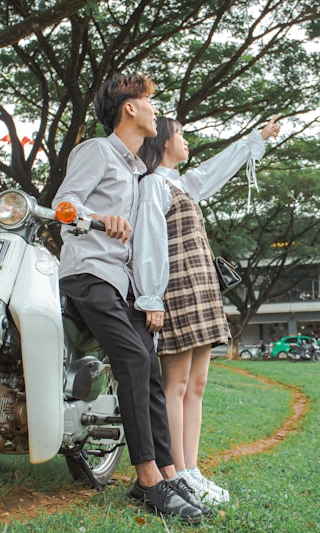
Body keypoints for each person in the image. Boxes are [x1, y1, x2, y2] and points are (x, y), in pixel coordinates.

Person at [52, 73, 207, 524]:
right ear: (129, 109)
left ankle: (168, 470)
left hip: (118, 285)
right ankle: (147, 482)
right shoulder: (98, 151)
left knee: (150, 366)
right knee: (136, 363)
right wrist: (101, 218)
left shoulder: (140, 172)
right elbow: (66, 206)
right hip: (88, 275)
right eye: (149, 100)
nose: (156, 109)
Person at [132, 115, 280, 504]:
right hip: (177, 290)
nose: (186, 140)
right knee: (175, 386)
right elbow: (147, 241)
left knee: (196, 386)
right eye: (179, 134)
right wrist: (151, 298)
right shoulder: (152, 185)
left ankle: (192, 470)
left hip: (202, 290)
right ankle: (175, 472)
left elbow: (217, 168)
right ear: (164, 141)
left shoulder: (183, 183)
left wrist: (255, 138)